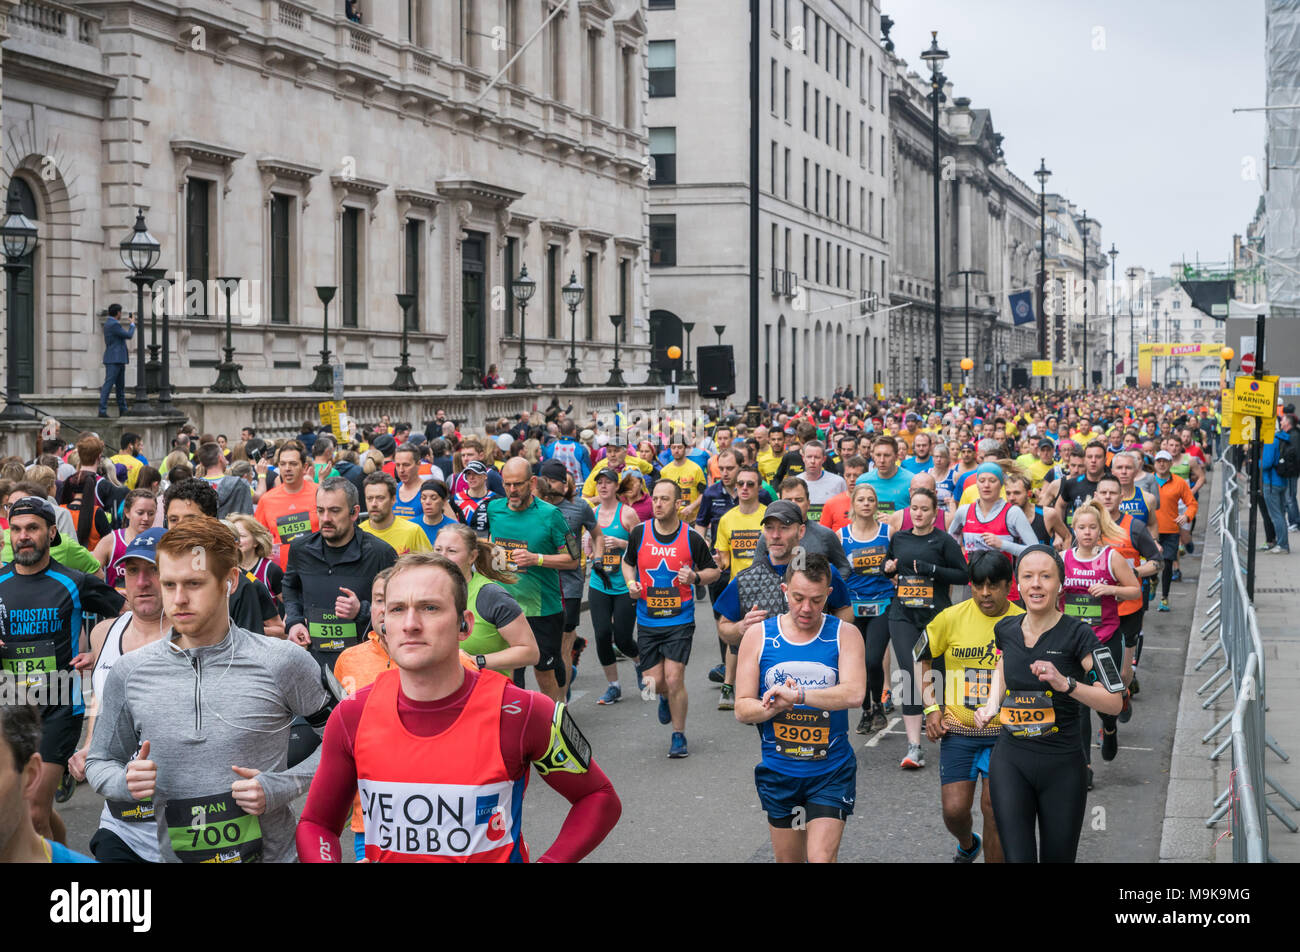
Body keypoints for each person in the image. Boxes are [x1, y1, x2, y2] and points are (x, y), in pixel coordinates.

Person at [296, 552, 621, 862]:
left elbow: (598, 798)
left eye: (429, 608)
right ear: (384, 624)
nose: (410, 624)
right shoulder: (352, 715)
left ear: (464, 625)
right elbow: (317, 824)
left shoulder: (522, 712)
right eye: (396, 609)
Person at [86, 517, 337, 863]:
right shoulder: (131, 671)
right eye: (170, 584)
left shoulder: (282, 661)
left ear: (230, 580)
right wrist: (123, 783)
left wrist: (282, 785)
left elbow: (344, 742)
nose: (178, 599)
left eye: (194, 583)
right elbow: (100, 761)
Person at [974, 545, 1124, 863]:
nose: (1036, 584)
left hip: (1062, 766)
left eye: (1045, 576)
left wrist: (1066, 684)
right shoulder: (1006, 629)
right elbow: (1004, 665)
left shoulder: (1081, 635)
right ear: (1018, 583)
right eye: (1028, 576)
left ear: (1060, 585)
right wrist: (991, 704)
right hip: (1011, 762)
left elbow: (1115, 702)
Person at [0, 496, 124, 843]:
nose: (23, 536)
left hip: (59, 707)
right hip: (11, 708)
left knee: (34, 812)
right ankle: (63, 853)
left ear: (51, 532)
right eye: (17, 529)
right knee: (29, 807)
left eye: (33, 528)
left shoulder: (73, 581)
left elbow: (127, 614)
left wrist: (98, 653)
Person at [733, 554, 865, 863]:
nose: (806, 609)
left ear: (829, 595)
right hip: (781, 775)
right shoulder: (759, 636)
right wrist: (770, 708)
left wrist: (800, 696)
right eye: (798, 598)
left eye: (817, 600)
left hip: (830, 772)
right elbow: (741, 707)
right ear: (784, 590)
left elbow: (855, 693)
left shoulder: (845, 635)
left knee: (819, 858)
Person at [68, 528, 168, 862]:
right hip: (121, 821)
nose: (141, 582)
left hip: (183, 821)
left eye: (153, 569)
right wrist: (90, 747)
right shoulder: (104, 633)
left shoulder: (195, 638)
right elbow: (100, 699)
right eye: (133, 571)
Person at [919, 551, 1023, 863]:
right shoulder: (950, 618)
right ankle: (967, 843)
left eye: (993, 586)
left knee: (994, 811)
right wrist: (930, 708)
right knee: (954, 810)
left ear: (1008, 585)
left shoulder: (1021, 620)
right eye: (978, 586)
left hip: (1004, 735)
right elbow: (920, 658)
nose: (985, 593)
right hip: (959, 732)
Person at [622, 479, 720, 758]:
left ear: (678, 504)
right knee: (654, 683)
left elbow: (713, 570)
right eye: (655, 498)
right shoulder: (640, 533)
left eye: (665, 499)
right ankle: (664, 696)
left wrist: (696, 577)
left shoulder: (691, 537)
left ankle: (679, 735)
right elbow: (628, 563)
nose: (658, 504)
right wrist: (631, 584)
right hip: (648, 620)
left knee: (675, 678)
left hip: (679, 619)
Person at [481, 457, 580, 703]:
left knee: (544, 673)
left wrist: (536, 559)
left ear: (532, 482)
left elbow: (574, 559)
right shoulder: (495, 509)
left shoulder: (551, 515)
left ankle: (556, 725)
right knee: (510, 675)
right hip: (504, 607)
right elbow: (492, 544)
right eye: (507, 484)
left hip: (542, 609)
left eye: (518, 484)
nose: (512, 490)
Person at [883, 487, 968, 769]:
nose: (918, 514)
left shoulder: (943, 541)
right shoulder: (900, 538)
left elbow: (964, 574)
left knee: (938, 673)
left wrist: (933, 570)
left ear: (934, 513)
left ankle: (946, 734)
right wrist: (889, 569)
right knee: (910, 672)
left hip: (936, 617)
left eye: (925, 509)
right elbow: (890, 566)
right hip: (903, 613)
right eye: (915, 509)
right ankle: (914, 747)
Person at [1062, 501, 1141, 783]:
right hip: (1074, 644)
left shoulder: (1111, 557)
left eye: (1092, 527)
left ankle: (1109, 728)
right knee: (1080, 703)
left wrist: (1111, 588)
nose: (1086, 532)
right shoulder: (1063, 559)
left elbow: (1134, 590)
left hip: (1105, 640)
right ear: (1074, 529)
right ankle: (1084, 765)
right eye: (1081, 527)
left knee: (1107, 700)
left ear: (1100, 530)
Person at [284, 476, 398, 671]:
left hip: (366, 665)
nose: (326, 518)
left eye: (335, 511)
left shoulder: (380, 553)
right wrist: (294, 622)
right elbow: (290, 586)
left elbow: (398, 606)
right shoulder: (300, 549)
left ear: (354, 513)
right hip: (314, 662)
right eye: (321, 510)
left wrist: (361, 611)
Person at [433, 523, 540, 674]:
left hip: (485, 690)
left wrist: (475, 661)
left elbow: (530, 652)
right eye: (438, 549)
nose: (442, 557)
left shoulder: (491, 595)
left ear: (472, 557)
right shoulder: (423, 592)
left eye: (452, 551)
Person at [1093, 474, 1161, 708]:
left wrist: (1135, 574)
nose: (1108, 497)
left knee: (1121, 674)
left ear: (1122, 497)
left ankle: (1122, 696)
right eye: (1103, 493)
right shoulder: (1087, 527)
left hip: (1127, 608)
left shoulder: (1135, 526)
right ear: (1096, 496)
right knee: (1097, 673)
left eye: (1113, 493)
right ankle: (1107, 721)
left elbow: (1156, 561)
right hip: (1095, 609)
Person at [0, 701, 96, 862]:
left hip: (57, 700)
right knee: (30, 806)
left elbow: (97, 679)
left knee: (36, 813)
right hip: (12, 695)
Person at [536, 460, 598, 695]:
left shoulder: (579, 507)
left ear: (564, 483)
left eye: (553, 480)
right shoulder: (534, 509)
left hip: (570, 584)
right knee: (548, 647)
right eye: (545, 480)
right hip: (541, 585)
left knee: (561, 643)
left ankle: (561, 702)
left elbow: (596, 535)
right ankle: (574, 648)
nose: (549, 485)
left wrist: (598, 556)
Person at [838, 481, 895, 735]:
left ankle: (878, 704)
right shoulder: (842, 536)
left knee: (873, 659)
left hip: (882, 602)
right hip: (853, 606)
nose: (866, 504)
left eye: (870, 500)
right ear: (853, 504)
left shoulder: (888, 532)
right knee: (856, 662)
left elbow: (898, 563)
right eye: (861, 500)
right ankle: (867, 710)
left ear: (876, 504)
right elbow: (836, 572)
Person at [711, 463, 769, 706]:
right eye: (740, 484)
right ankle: (728, 686)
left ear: (758, 487)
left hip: (768, 586)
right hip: (739, 587)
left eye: (750, 484)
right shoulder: (726, 519)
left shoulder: (768, 514)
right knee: (735, 638)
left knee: (765, 639)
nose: (744, 488)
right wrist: (717, 562)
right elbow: (723, 557)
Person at [588, 469, 641, 705]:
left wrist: (621, 543)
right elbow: (588, 545)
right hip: (599, 583)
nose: (603, 486)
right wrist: (588, 549)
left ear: (616, 486)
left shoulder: (627, 514)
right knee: (601, 635)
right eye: (599, 483)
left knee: (623, 639)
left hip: (623, 586)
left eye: (607, 482)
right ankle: (614, 686)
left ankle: (640, 662)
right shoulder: (593, 514)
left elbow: (642, 547)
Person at [753, 478, 851, 576]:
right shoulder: (769, 537)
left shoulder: (826, 534)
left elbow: (843, 567)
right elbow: (756, 570)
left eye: (799, 500)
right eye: (788, 500)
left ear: (808, 504)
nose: (793, 504)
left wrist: (827, 586)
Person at [254, 440, 319, 569]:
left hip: (317, 569)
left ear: (305, 467)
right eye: (283, 464)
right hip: (283, 574)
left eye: (293, 464)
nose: (287, 468)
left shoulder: (320, 493)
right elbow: (258, 537)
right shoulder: (267, 500)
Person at [1151, 450, 1197, 611]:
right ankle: (1152, 580)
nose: (1162, 464)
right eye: (1159, 461)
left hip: (1170, 529)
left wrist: (1186, 516)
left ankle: (1164, 597)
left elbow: (1192, 503)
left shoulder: (1178, 482)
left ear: (1171, 464)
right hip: (1150, 531)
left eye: (1165, 461)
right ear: (1155, 463)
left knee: (1168, 562)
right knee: (1151, 562)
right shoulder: (1148, 480)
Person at [93, 488, 157, 588]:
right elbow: (90, 577)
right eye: (140, 513)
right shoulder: (111, 541)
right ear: (127, 512)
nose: (146, 518)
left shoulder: (160, 541)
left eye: (151, 514)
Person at [361, 472, 433, 555]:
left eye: (380, 498)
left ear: (393, 499)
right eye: (369, 498)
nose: (373, 504)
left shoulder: (413, 531)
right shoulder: (358, 533)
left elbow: (430, 565)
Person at [228, 512, 284, 603]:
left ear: (256, 541)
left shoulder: (270, 570)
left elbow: (291, 605)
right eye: (233, 536)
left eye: (242, 536)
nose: (236, 541)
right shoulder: (226, 568)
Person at [1261, 419, 1294, 555]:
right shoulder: (1284, 438)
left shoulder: (1270, 440)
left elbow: (1266, 463)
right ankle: (1283, 543)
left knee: (1276, 515)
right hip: (1283, 481)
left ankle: (1282, 545)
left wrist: (1257, 461)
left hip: (1271, 483)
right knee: (1280, 514)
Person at [196, 441, 254, 518]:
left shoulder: (194, 487)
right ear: (220, 458)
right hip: (233, 529)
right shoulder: (241, 484)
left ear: (202, 463)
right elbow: (248, 516)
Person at [796, 440, 847, 524]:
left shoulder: (838, 482)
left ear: (824, 459)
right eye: (809, 457)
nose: (812, 461)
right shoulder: (795, 482)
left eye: (817, 457)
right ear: (803, 458)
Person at [98, 304, 134, 418]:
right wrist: (132, 323)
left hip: (117, 359)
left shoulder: (110, 323)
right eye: (120, 312)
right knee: (108, 385)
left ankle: (123, 409)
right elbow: (129, 335)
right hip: (115, 359)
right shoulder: (113, 324)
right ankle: (102, 410)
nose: (121, 314)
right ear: (118, 313)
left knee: (120, 386)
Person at [863, 435, 913, 515]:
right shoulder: (863, 481)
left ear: (896, 457)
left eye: (887, 455)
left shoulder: (911, 480)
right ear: (873, 456)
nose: (882, 460)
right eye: (878, 455)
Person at [392, 443, 442, 521]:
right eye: (398, 465)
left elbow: (452, 525)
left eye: (406, 465)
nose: (401, 470)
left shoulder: (432, 490)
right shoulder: (392, 491)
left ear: (418, 464)